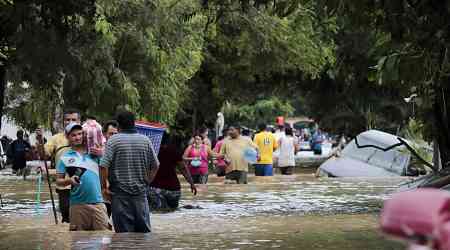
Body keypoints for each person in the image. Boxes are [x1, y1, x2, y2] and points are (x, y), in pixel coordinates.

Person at [100, 111, 159, 233]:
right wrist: (147, 181)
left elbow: (103, 166)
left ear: (119, 125)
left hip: (120, 195)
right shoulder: (145, 140)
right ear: (134, 123)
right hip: (140, 195)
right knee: (144, 234)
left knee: (124, 236)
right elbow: (156, 165)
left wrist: (104, 188)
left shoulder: (113, 141)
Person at [56, 123, 109, 231]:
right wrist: (69, 181)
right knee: (78, 241)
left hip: (98, 202)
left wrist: (102, 154)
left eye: (80, 134)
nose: (77, 137)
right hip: (77, 205)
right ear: (68, 137)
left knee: (104, 239)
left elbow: (107, 170)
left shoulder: (95, 153)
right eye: (74, 135)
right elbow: (58, 181)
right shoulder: (65, 157)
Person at [37, 108, 81, 223]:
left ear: (79, 121)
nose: (70, 122)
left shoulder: (84, 136)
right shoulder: (56, 138)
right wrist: (39, 141)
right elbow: (43, 154)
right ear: (63, 122)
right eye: (67, 119)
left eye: (74, 119)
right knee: (67, 217)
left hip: (83, 184)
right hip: (64, 185)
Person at [148, 132, 197, 211]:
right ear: (168, 140)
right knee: (173, 211)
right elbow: (183, 168)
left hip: (155, 190)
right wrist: (191, 183)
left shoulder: (152, 151)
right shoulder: (174, 151)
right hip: (174, 191)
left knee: (157, 211)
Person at [101, 120, 118, 217]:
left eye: (116, 134)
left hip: (117, 192)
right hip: (103, 193)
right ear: (104, 134)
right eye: (111, 134)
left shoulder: (122, 150)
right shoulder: (99, 151)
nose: (114, 137)